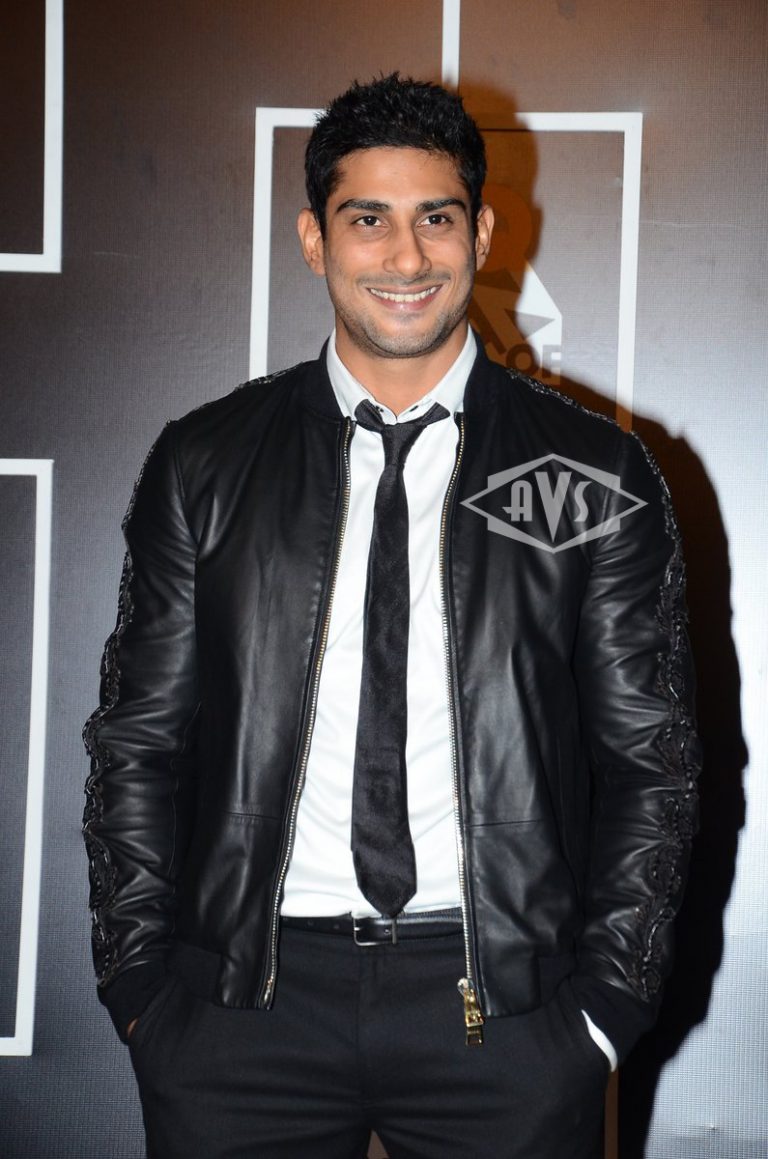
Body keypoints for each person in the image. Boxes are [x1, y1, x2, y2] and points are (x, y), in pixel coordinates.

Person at [83, 74, 700, 1159]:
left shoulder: (591, 473)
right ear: (314, 239)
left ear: (483, 233)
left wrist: (602, 1013)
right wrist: (142, 989)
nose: (406, 257)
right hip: (239, 1013)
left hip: (509, 1009)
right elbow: (137, 743)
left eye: (436, 219)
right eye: (368, 219)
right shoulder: (205, 463)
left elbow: (655, 761)